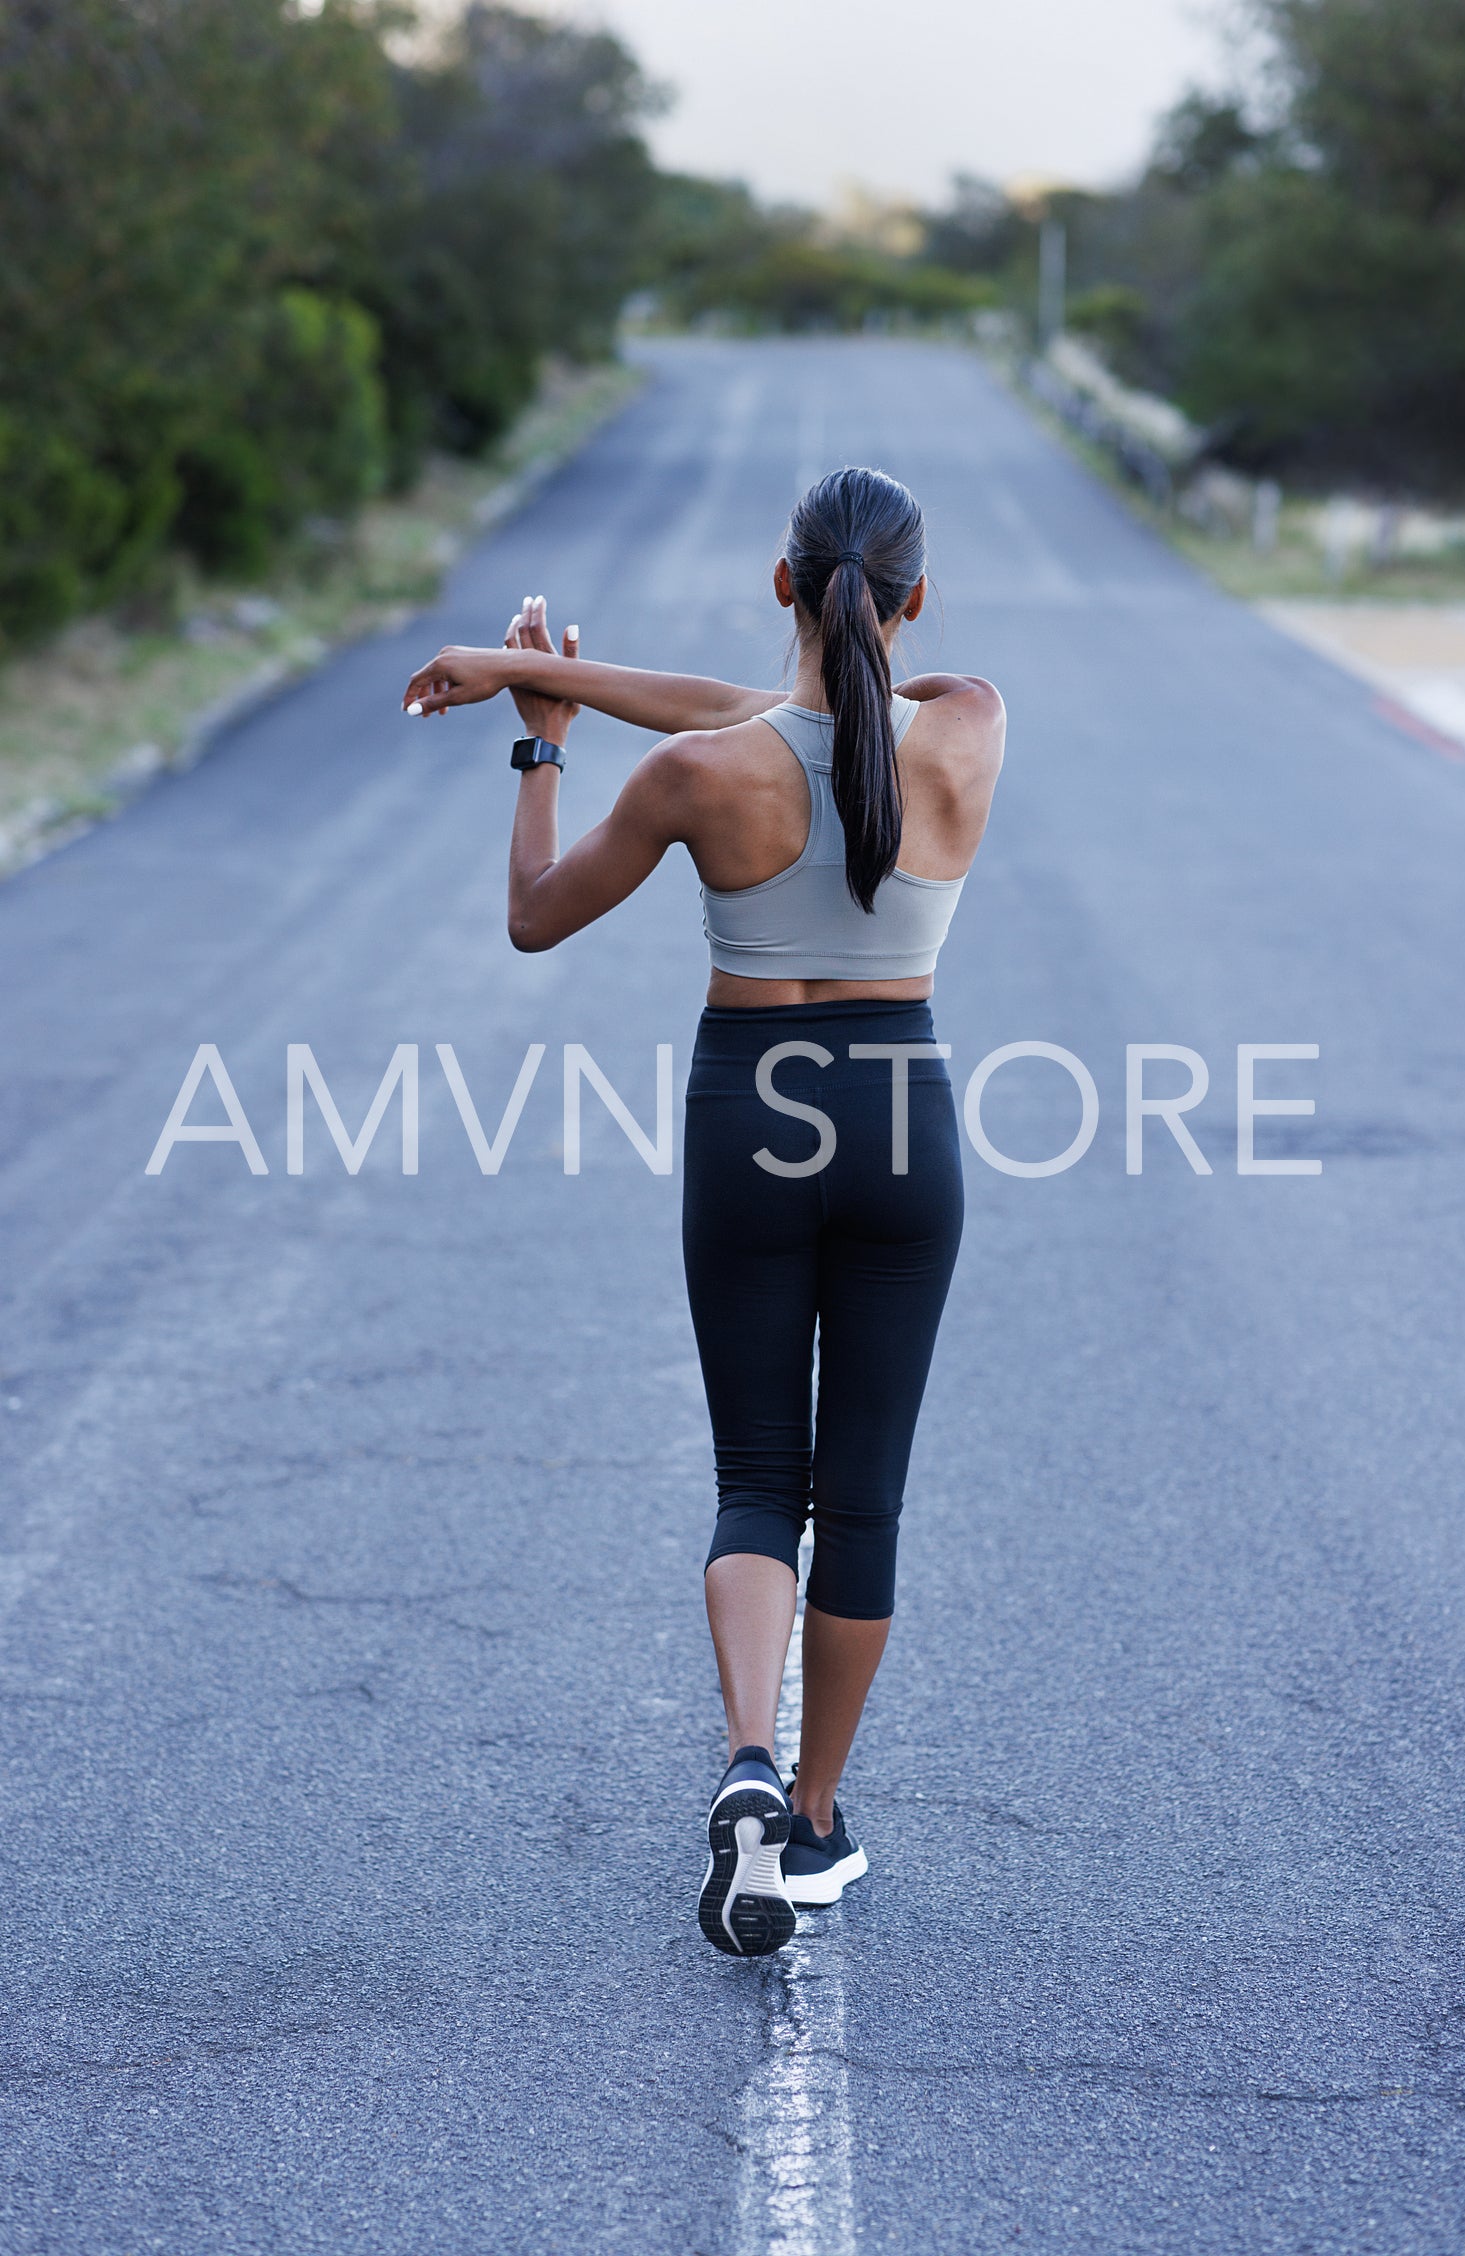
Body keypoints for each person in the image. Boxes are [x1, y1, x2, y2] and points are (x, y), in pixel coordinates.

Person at [403, 467, 1005, 1956]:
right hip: (898, 1117)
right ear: (909, 600)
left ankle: (744, 1755)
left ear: (780, 585)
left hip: (752, 1111)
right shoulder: (965, 724)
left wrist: (537, 737)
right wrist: (546, 674)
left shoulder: (701, 774)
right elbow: (797, 709)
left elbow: (536, 915)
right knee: (858, 1493)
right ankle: (807, 1822)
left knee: (757, 1476)